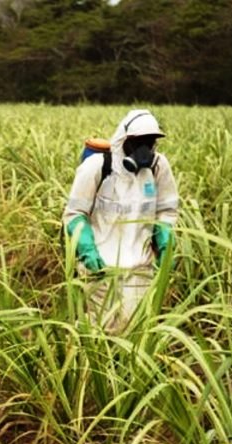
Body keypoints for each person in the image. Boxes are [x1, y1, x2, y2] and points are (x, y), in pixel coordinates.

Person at [63, 109, 179, 333]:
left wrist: (165, 242)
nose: (144, 149)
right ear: (124, 140)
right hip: (99, 264)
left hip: (140, 265)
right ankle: (83, 361)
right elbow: (75, 212)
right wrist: (87, 249)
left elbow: (167, 210)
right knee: (100, 328)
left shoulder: (157, 167)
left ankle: (125, 369)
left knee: (135, 327)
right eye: (138, 142)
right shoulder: (97, 166)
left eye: (150, 141)